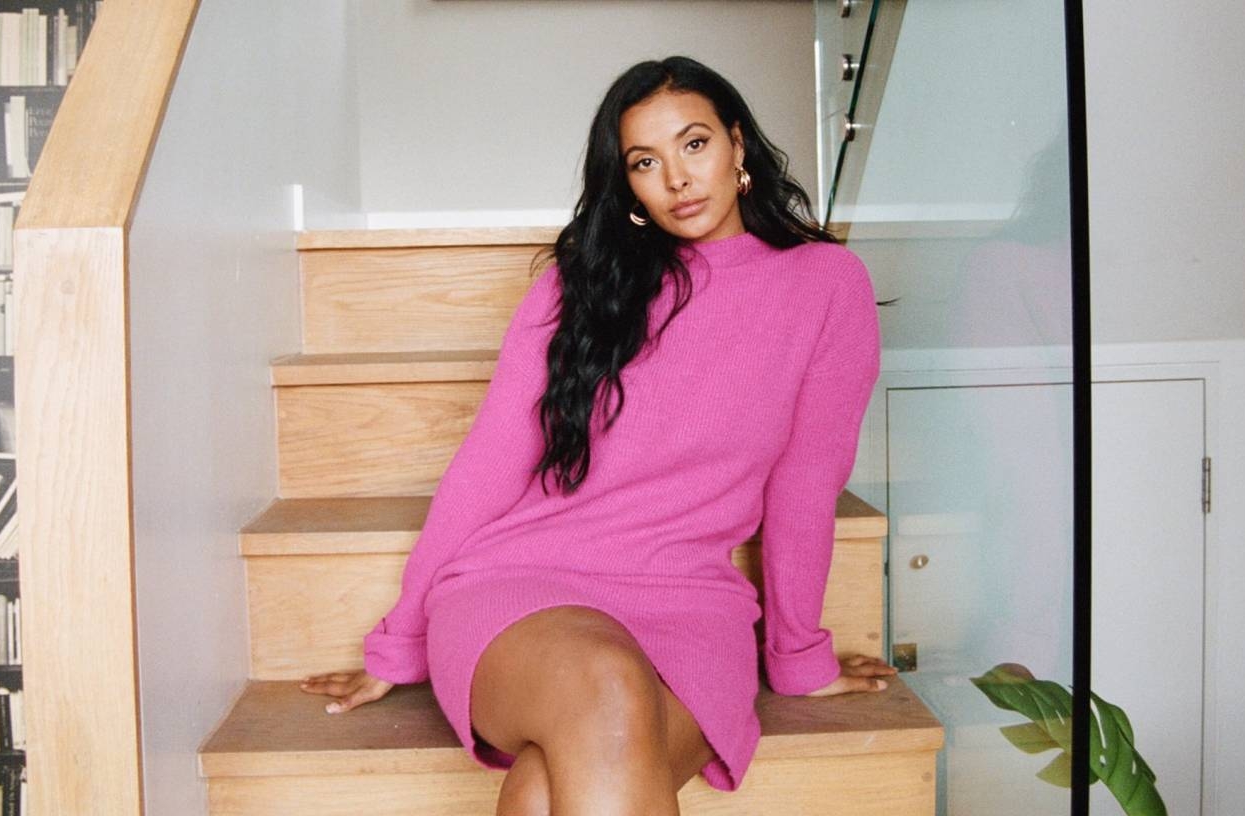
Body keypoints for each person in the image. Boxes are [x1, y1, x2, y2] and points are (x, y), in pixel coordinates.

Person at [299, 55, 894, 815]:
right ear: (628, 182)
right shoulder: (578, 285)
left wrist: (798, 653)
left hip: (691, 606)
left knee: (544, 789)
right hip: (522, 589)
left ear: (738, 144)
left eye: (695, 144)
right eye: (645, 161)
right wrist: (400, 638)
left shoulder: (826, 285)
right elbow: (488, 465)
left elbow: (805, 486)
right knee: (606, 684)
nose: (677, 179)